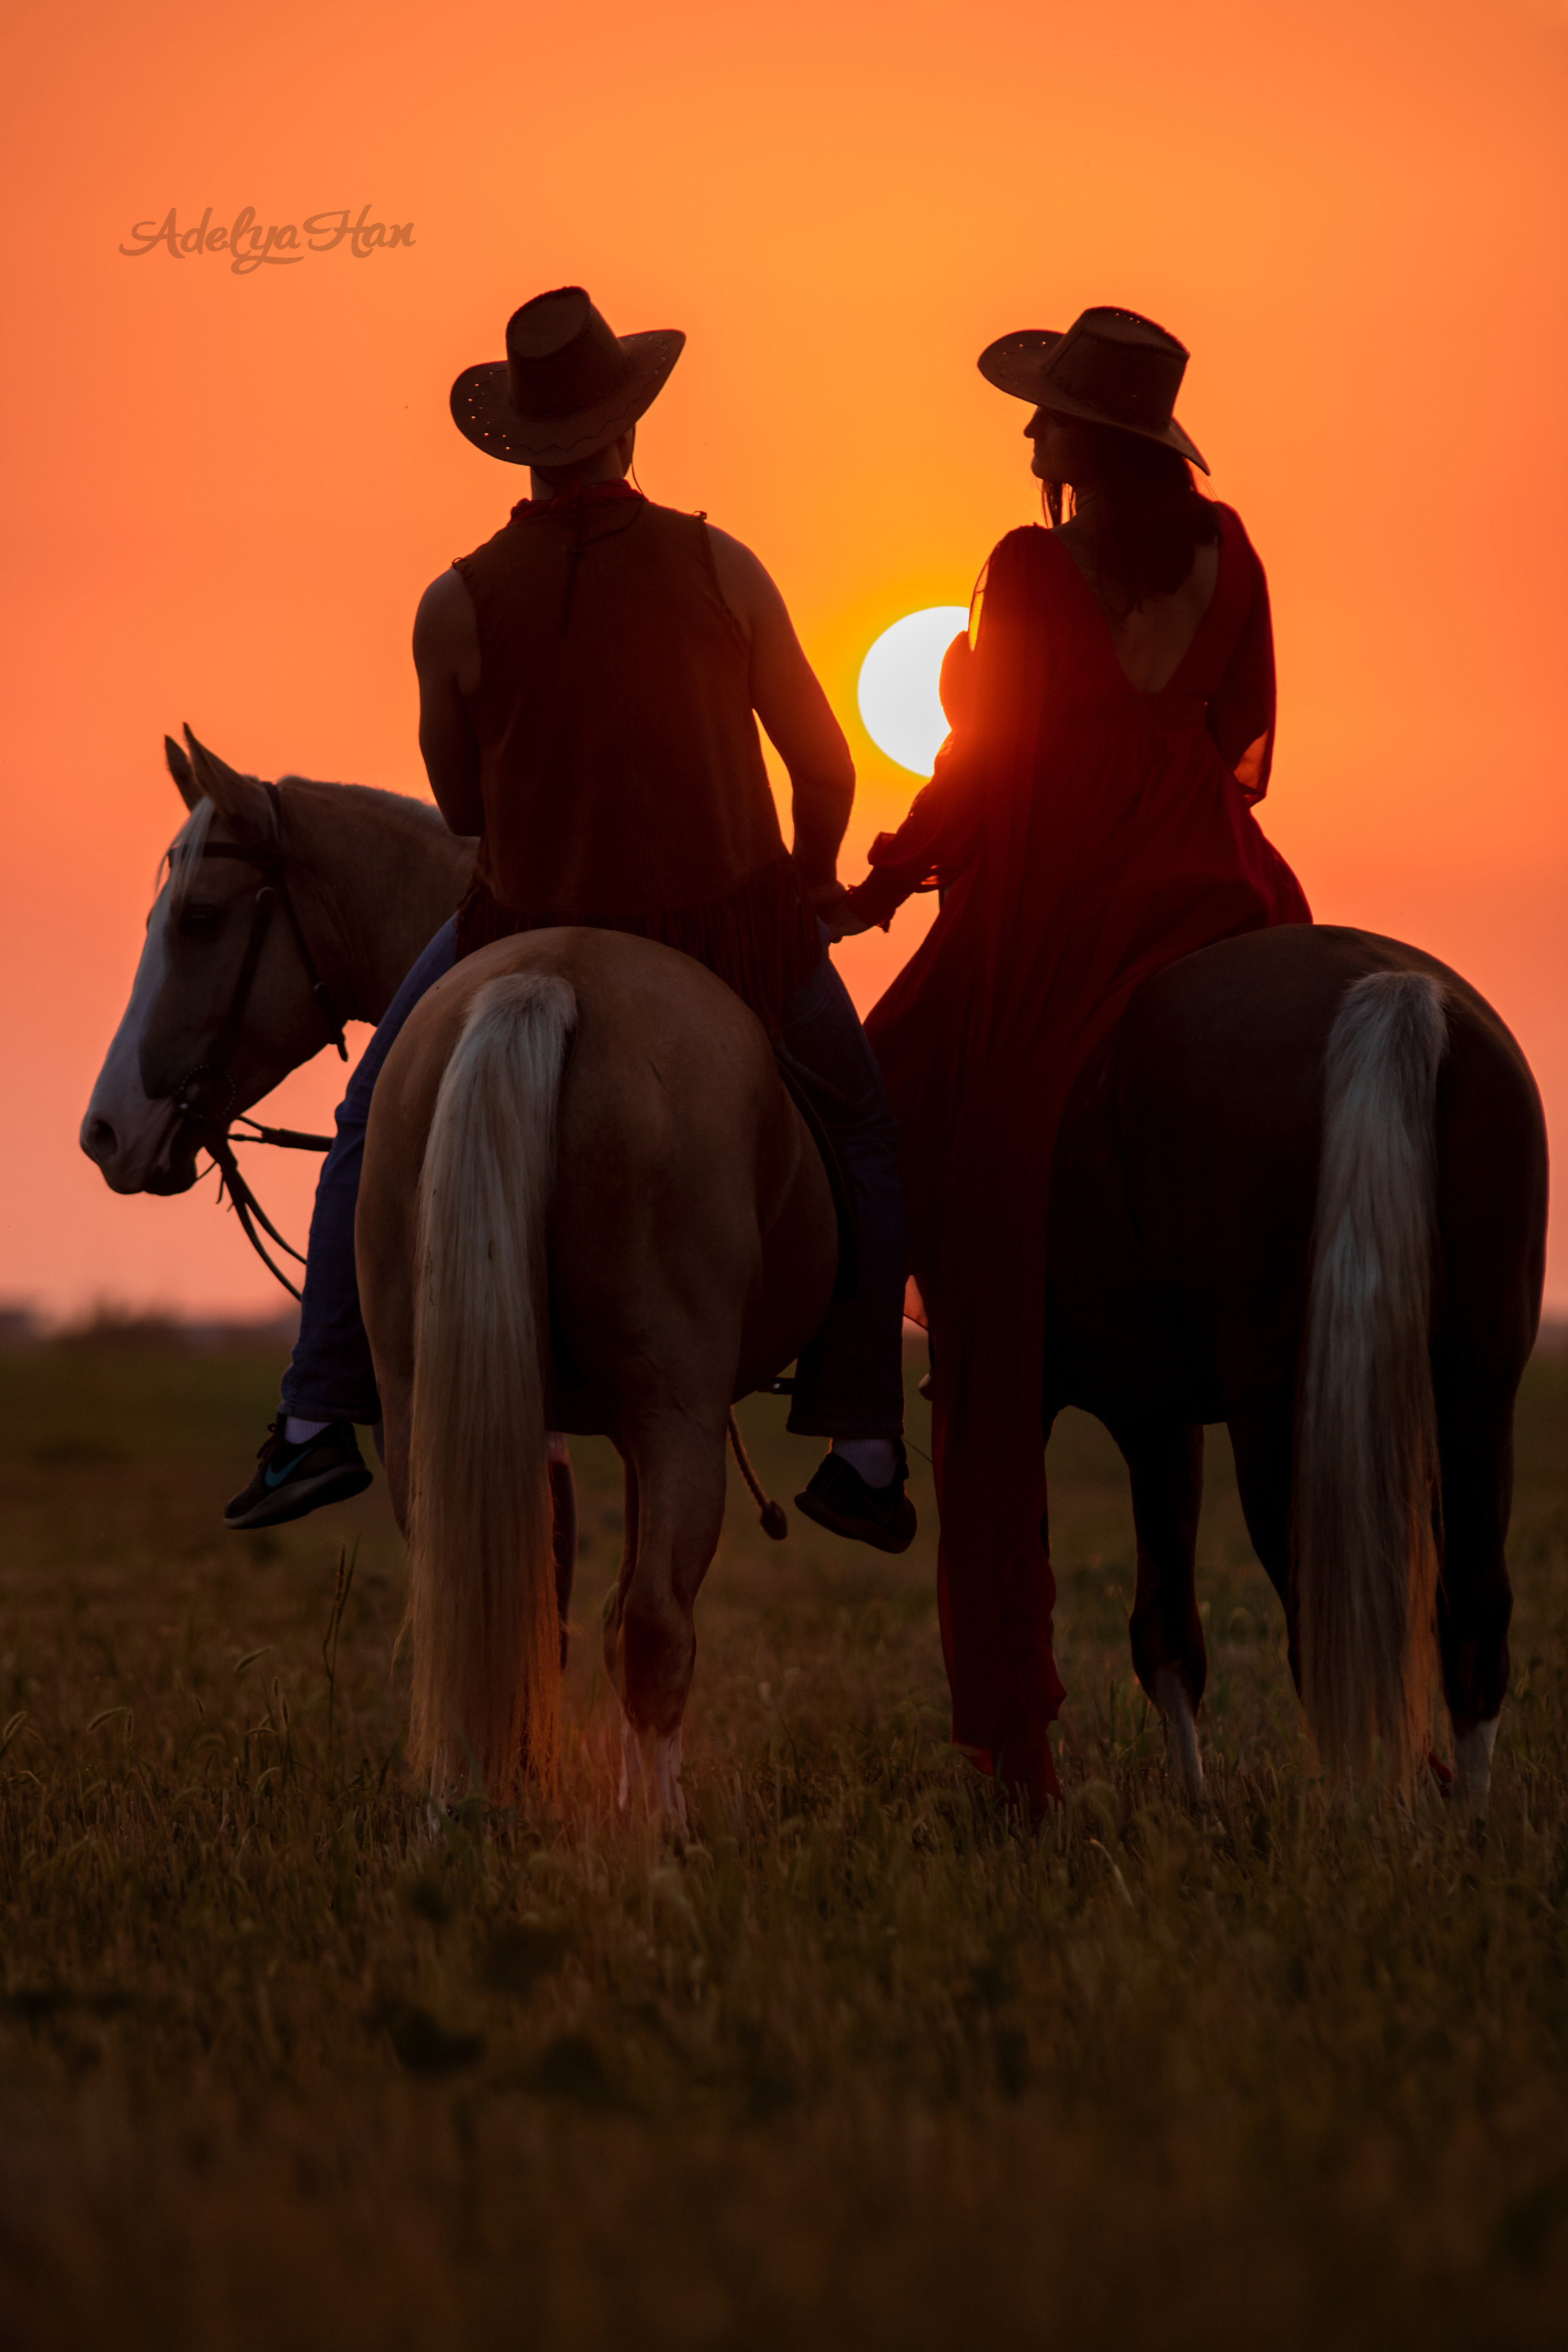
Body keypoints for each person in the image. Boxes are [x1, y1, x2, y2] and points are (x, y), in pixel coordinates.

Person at [225, 285, 914, 1552]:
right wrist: (804, 890)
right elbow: (823, 767)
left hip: (516, 922)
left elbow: (460, 802)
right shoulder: (723, 566)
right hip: (728, 931)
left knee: (371, 1120)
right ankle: (864, 1434)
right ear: (627, 432)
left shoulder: (453, 601)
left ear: (521, 447)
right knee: (863, 1130)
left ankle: (317, 1418)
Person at [829, 306, 1311, 1807]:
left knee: (881, 1099)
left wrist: (888, 872)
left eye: (1043, 418)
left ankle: (861, 1411)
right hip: (1218, 875)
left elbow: (992, 766)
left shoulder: (1030, 567)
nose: (1026, 438)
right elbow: (1239, 731)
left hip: (1062, 889)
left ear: (1082, 443)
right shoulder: (1225, 549)